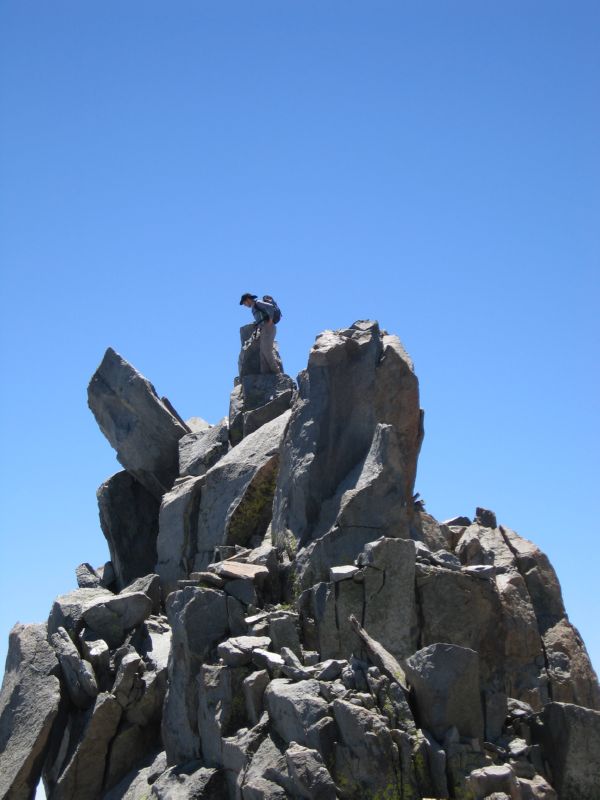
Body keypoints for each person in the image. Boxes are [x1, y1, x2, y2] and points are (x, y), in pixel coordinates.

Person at [239, 293, 281, 374]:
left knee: (266, 350)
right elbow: (261, 318)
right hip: (264, 329)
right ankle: (264, 373)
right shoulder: (254, 307)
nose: (245, 305)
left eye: (244, 303)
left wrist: (270, 321)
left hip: (268, 328)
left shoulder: (258, 303)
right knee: (262, 353)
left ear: (248, 299)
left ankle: (277, 372)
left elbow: (270, 307)